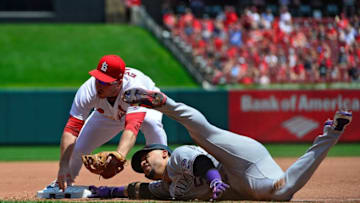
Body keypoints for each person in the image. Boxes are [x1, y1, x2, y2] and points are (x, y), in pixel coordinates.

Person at [88, 88, 352, 201]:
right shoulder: (165, 189)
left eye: (146, 154)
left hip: (240, 159)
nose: (143, 162)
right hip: (245, 182)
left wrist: (214, 180)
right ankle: (332, 133)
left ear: (164, 152)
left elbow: (202, 163)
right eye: (140, 165)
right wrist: (106, 193)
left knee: (204, 134)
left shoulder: (178, 156)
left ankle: (164, 104)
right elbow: (139, 190)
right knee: (281, 192)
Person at [38, 55, 168, 196]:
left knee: (152, 124)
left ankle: (165, 178)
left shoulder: (135, 88)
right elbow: (72, 128)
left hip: (146, 107)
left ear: (118, 83)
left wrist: (119, 156)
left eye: (105, 82)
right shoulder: (88, 89)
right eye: (98, 78)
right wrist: (63, 165)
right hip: (106, 115)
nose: (99, 84)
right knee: (78, 148)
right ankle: (62, 182)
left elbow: (132, 126)